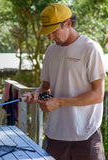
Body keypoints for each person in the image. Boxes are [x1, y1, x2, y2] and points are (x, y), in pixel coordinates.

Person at [24, 3, 106, 160]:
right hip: (55, 135)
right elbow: (46, 88)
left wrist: (59, 102)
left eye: (54, 31)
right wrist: (36, 95)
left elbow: (97, 95)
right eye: (48, 33)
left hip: (86, 135)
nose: (51, 37)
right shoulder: (51, 51)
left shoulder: (90, 49)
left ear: (68, 23)